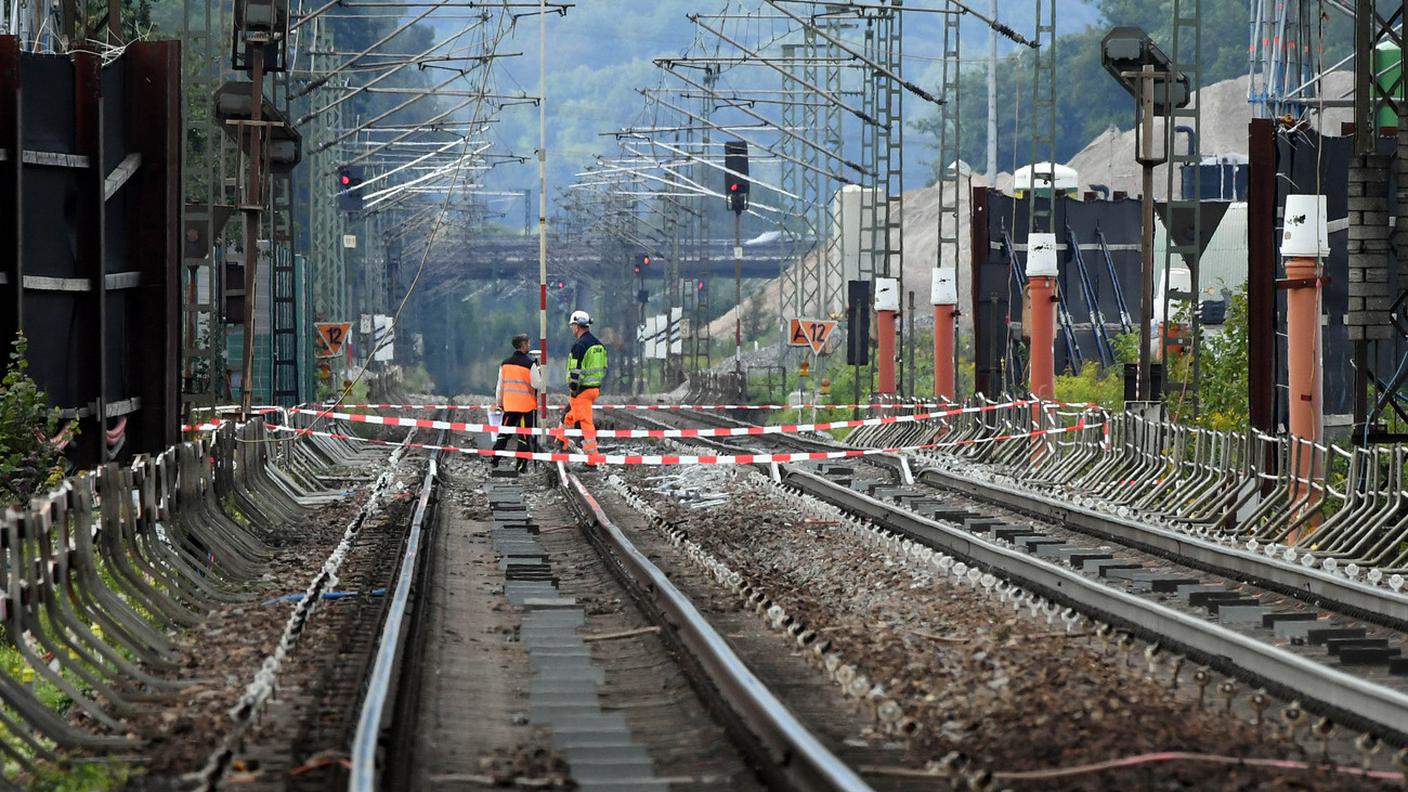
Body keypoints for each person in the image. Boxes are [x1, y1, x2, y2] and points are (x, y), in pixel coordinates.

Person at [561, 310, 607, 461]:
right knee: (569, 414)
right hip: (594, 389)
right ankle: (561, 442)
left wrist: (573, 390)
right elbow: (604, 367)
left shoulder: (579, 345)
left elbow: (575, 371)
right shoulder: (599, 345)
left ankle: (592, 457)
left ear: (577, 326)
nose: (572, 329)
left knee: (585, 423)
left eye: (572, 326)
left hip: (582, 390)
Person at [492, 334, 542, 470]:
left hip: (509, 406)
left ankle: (494, 459)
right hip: (525, 407)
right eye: (528, 344)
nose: (529, 346)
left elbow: (500, 386)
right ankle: (520, 466)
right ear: (523, 345)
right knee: (524, 437)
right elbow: (537, 384)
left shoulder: (505, 363)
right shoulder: (529, 364)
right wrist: (539, 372)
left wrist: (499, 403)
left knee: (504, 434)